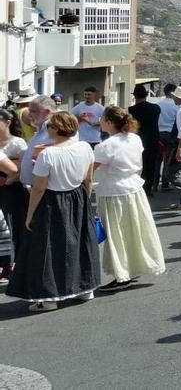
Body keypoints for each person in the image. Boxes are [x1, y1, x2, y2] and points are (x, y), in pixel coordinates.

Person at [5, 112, 100, 312]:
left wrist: (30, 215)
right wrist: (84, 200)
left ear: (56, 129)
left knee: (47, 248)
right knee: (80, 243)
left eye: (50, 126)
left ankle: (49, 298)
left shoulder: (48, 154)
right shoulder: (84, 147)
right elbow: (89, 179)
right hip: (78, 196)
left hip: (52, 200)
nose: (47, 129)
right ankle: (85, 288)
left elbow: (39, 188)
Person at [92, 105, 166, 292]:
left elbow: (89, 172)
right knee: (136, 231)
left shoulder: (105, 146)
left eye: (102, 119)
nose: (100, 121)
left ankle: (121, 274)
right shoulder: (134, 138)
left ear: (109, 122)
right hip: (134, 188)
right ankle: (133, 268)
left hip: (113, 192)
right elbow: (138, 166)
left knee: (117, 234)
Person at [2, 96, 56, 257]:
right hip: (34, 189)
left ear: (47, 112)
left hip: (43, 191)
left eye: (33, 111)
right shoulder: (40, 131)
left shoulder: (50, 133)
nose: (29, 114)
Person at [0, 108, 27, 283]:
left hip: (12, 190)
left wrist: (8, 180)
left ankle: (11, 264)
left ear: (7, 123)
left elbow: (24, 168)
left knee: (11, 226)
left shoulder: (18, 143)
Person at [127, 85, 162, 196]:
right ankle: (149, 188)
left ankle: (139, 187)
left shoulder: (132, 110)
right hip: (153, 139)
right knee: (151, 165)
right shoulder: (156, 108)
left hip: (138, 140)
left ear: (135, 96)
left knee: (138, 164)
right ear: (146, 95)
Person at [158, 84, 181, 191]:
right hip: (170, 135)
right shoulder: (177, 107)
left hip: (159, 134)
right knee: (168, 159)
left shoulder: (158, 105)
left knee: (157, 160)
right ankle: (165, 183)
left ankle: (154, 184)